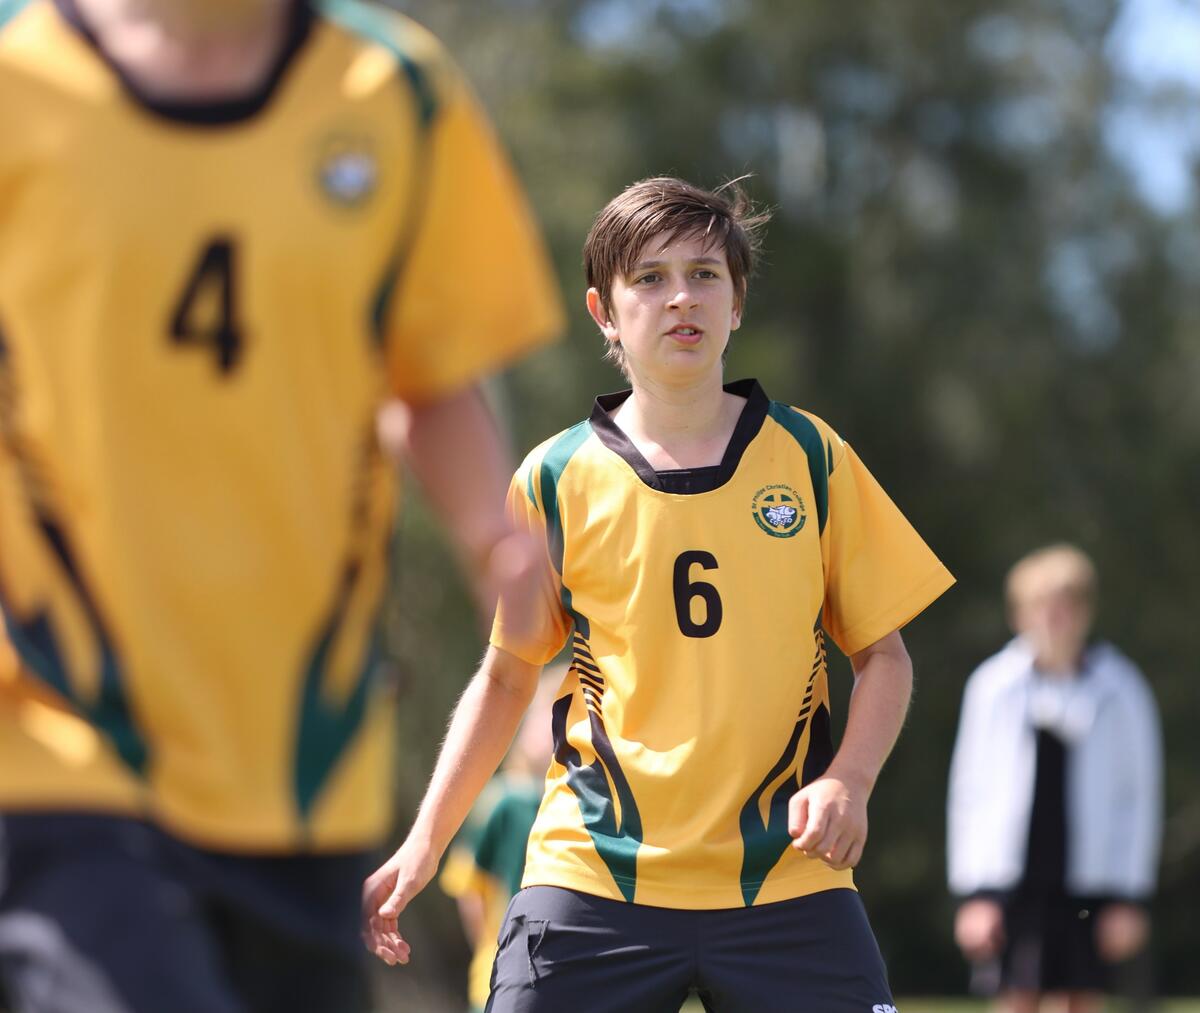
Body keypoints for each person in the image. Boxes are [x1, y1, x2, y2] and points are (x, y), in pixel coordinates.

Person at [0, 0, 563, 1010]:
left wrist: (493, 535)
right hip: (59, 733)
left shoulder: (394, 94)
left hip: (304, 762)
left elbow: (431, 372)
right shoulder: (16, 79)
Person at [363, 176, 955, 1013]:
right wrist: (425, 841)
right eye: (650, 277)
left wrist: (850, 781)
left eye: (705, 274)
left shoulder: (813, 458)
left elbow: (884, 655)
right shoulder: (555, 477)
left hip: (787, 878)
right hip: (592, 875)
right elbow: (505, 677)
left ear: (737, 302)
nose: (681, 297)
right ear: (604, 311)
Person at [947, 544, 1162, 1013]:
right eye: (1041, 606)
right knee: (1016, 996)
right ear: (1019, 613)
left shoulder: (1122, 688)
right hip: (1013, 881)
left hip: (1090, 881)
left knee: (1079, 999)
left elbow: (1139, 796)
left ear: (1086, 612)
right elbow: (969, 793)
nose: (1054, 619)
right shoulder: (992, 687)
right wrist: (976, 894)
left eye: (1066, 607)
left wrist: (1128, 896)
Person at [439, 668, 560, 1013]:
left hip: (561, 979)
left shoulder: (584, 809)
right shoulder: (502, 801)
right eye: (550, 714)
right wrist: (499, 951)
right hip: (500, 978)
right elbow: (469, 888)